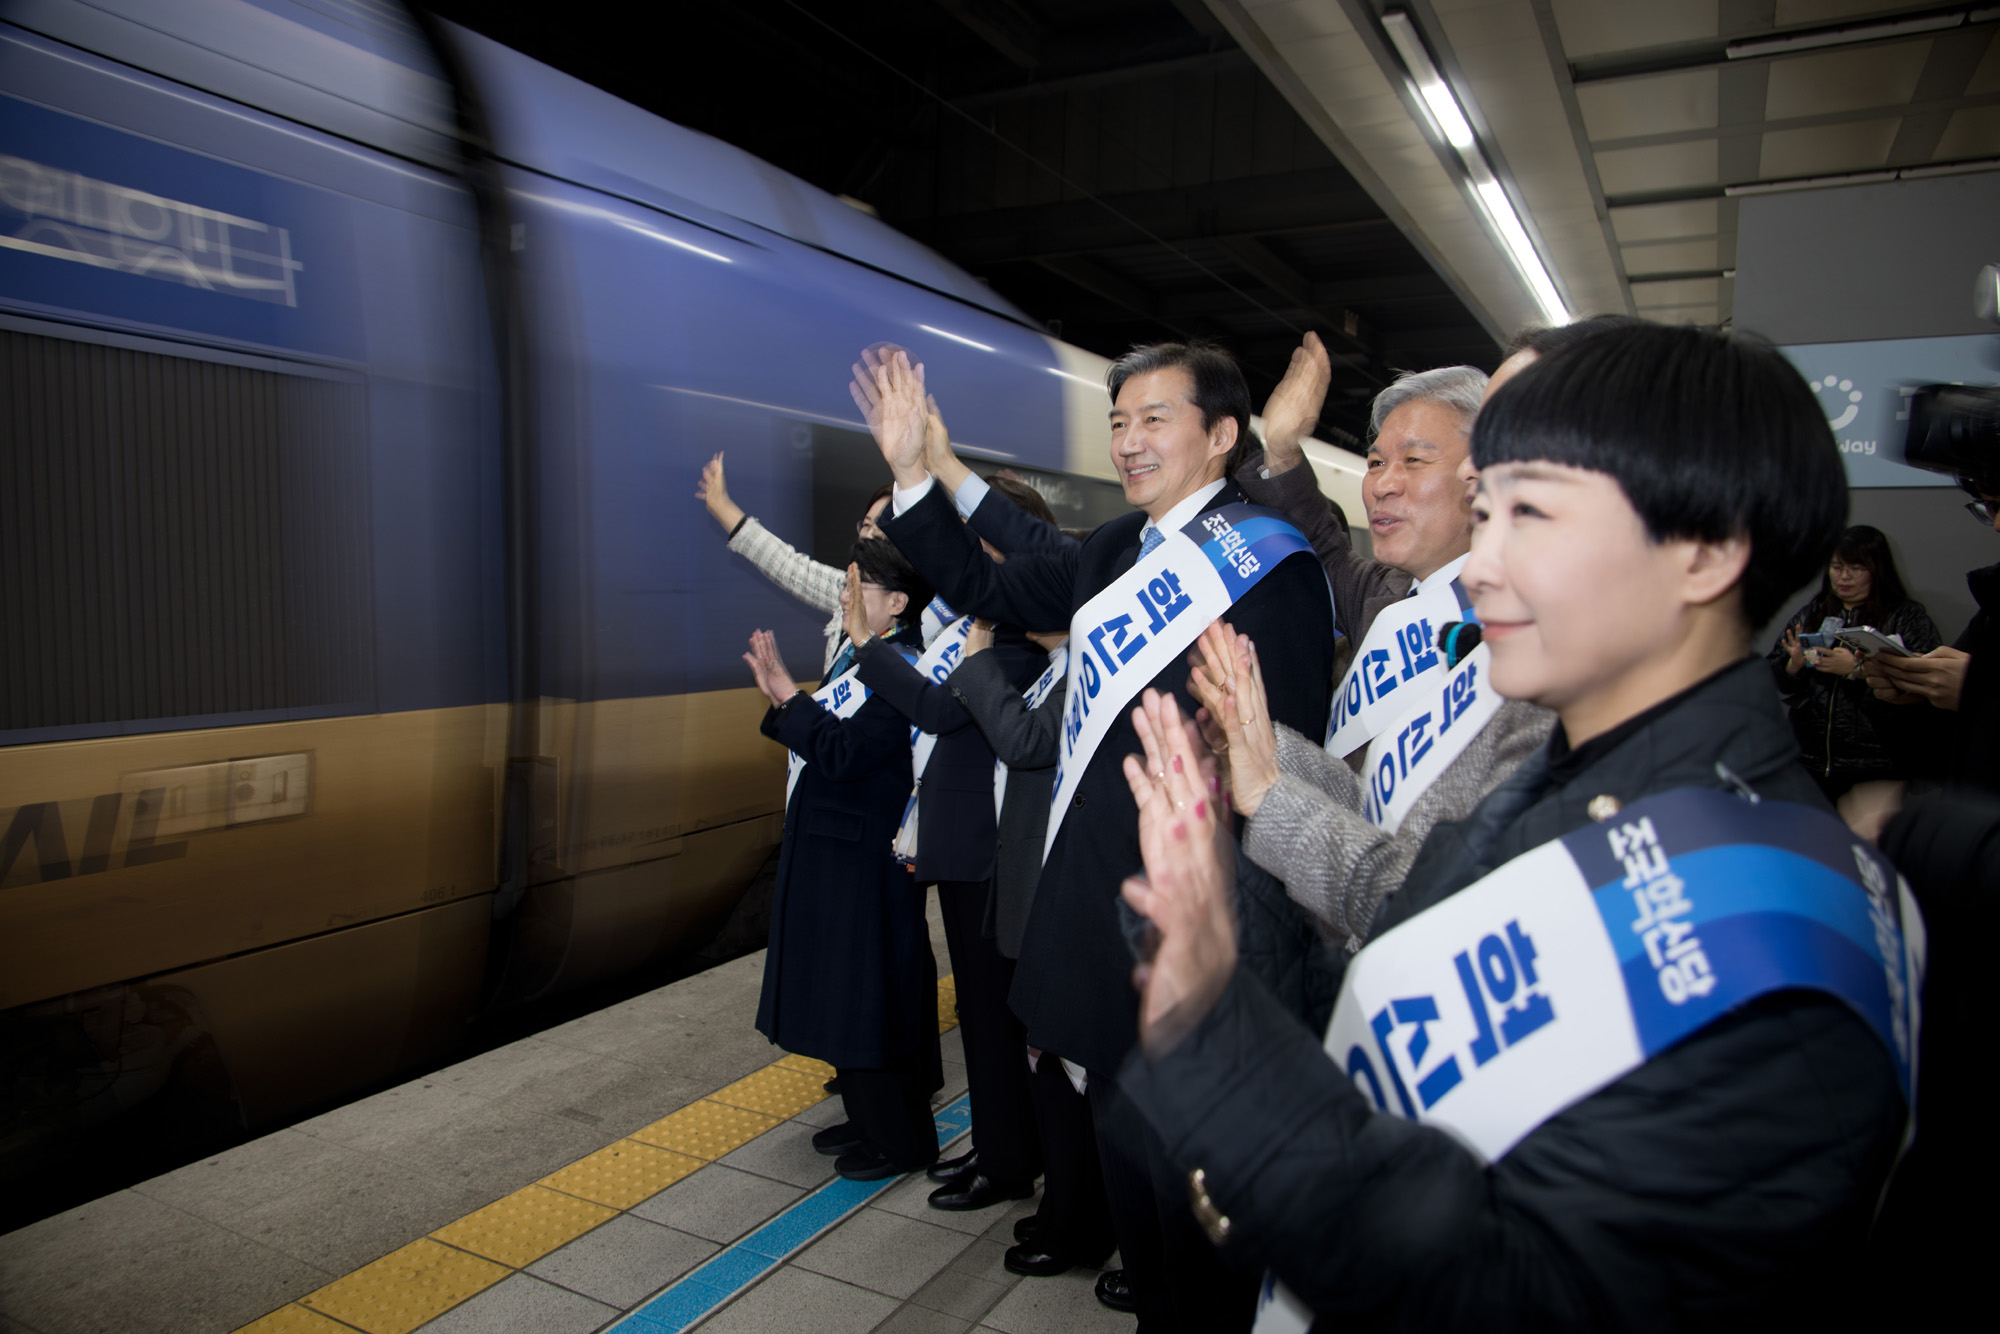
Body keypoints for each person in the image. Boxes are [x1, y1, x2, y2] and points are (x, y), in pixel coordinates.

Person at [1112, 323, 1914, 1329]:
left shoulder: (1768, 952)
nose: (1480, 567)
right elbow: (1392, 978)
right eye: (1483, 511)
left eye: (1528, 514)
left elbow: (1518, 1290)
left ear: (1705, 548)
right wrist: (1218, 932)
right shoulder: (1563, 782)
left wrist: (1206, 1029)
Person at [869, 343, 1337, 1332]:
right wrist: (915, 472)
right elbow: (990, 585)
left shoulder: (1269, 566)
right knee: (1140, 1218)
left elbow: (1277, 771)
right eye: (1117, 421)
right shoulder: (1115, 549)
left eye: (1153, 418)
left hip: (1196, 948)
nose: (1128, 440)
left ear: (1220, 434)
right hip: (1092, 930)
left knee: (1200, 1234)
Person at [1190, 360, 1553, 950]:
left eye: (1414, 460)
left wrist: (1272, 789)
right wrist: (1280, 447)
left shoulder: (1539, 648)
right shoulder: (1386, 596)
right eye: (1378, 461)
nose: (1382, 482)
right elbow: (1320, 539)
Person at [850, 473, 1064, 1215]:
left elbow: (939, 711)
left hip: (984, 857)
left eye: (976, 548)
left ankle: (1008, 1161)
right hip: (968, 851)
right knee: (981, 1017)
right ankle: (997, 1141)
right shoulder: (989, 629)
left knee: (991, 1016)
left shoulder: (1014, 645)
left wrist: (865, 650)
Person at [744, 538, 942, 1181]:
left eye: (860, 588)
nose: (846, 598)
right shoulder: (861, 665)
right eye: (846, 586)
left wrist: (786, 699)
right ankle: (868, 1119)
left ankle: (901, 1140)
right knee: (847, 994)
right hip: (842, 857)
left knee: (866, 996)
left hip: (867, 863)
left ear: (898, 603)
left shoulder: (903, 668)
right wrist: (788, 699)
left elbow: (849, 754)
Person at [946, 615, 1120, 1279]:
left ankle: (1077, 1224)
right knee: (1050, 1069)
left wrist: (978, 661)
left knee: (1064, 1073)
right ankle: (1070, 1213)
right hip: (1042, 889)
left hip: (1062, 896)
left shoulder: (1088, 672)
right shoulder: (1061, 666)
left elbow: (1023, 741)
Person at [1768, 525, 1941, 797]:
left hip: (1876, 765)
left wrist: (1856, 669)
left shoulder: (1906, 617)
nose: (1844, 577)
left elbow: (1925, 683)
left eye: (1856, 569)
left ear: (1877, 569)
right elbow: (1776, 677)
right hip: (1810, 761)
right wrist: (1794, 665)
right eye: (1837, 567)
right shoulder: (1813, 612)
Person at [701, 452, 890, 673]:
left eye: (882, 530)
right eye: (866, 526)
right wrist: (721, 506)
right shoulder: (847, 589)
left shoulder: (925, 620)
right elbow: (787, 565)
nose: (868, 537)